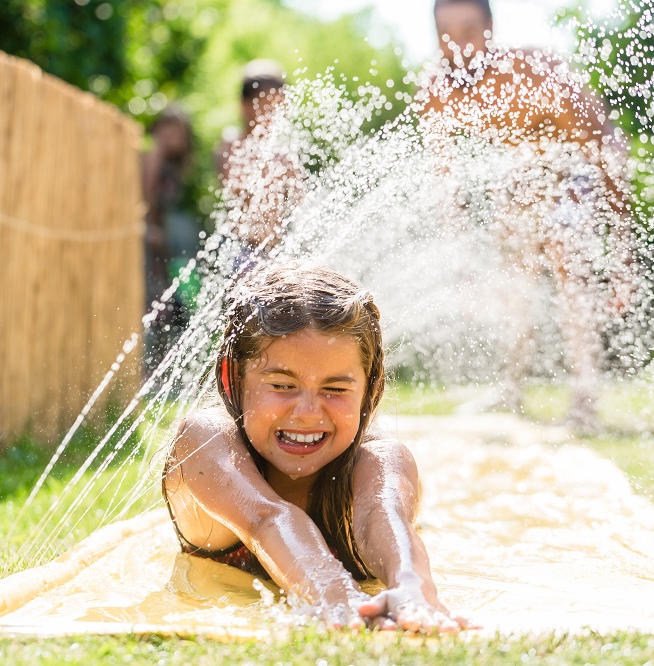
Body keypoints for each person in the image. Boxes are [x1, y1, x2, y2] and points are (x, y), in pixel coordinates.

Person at [161, 263, 464, 632]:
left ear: (369, 388)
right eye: (282, 385)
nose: (307, 413)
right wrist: (338, 595)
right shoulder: (205, 442)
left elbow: (381, 515)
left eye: (335, 390)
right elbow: (267, 518)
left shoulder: (379, 458)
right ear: (232, 376)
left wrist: (413, 591)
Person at [425, 0, 635, 428]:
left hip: (579, 162)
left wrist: (623, 252)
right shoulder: (438, 91)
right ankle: (511, 389)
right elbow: (446, 182)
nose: (457, 46)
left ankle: (585, 398)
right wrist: (460, 254)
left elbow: (603, 151)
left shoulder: (532, 73)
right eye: (444, 34)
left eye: (467, 31)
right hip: (523, 169)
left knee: (568, 269)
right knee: (514, 278)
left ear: (490, 28)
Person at [216, 61, 303, 266]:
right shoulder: (232, 144)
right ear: (244, 106)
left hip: (275, 250)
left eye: (277, 107)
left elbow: (299, 202)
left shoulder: (283, 154)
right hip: (240, 247)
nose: (271, 115)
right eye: (264, 106)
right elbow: (236, 185)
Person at [141, 105, 200, 364]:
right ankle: (150, 363)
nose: (174, 137)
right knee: (155, 297)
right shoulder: (153, 152)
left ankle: (158, 362)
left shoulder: (170, 162)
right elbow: (147, 195)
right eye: (170, 130)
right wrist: (151, 227)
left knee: (163, 299)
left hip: (161, 238)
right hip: (150, 236)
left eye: (179, 132)